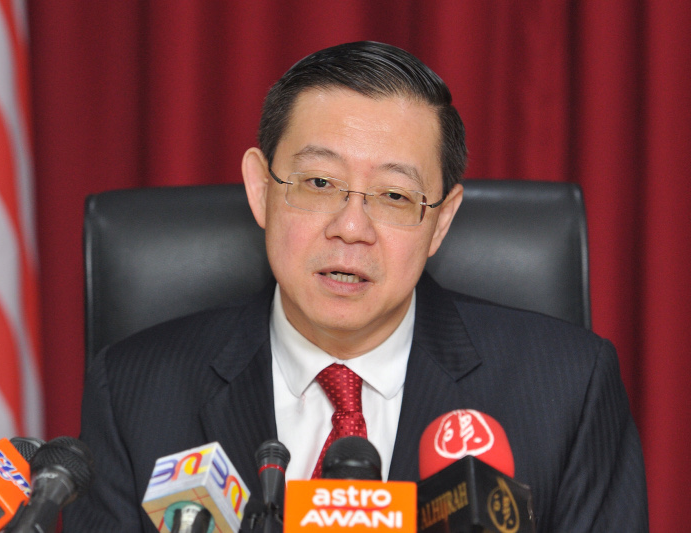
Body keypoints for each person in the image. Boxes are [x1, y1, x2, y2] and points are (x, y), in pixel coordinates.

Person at [62, 41, 648, 531]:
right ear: (261, 189)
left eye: (394, 195)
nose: (350, 228)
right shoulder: (134, 394)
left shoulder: (568, 391)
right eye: (320, 183)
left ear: (441, 221)